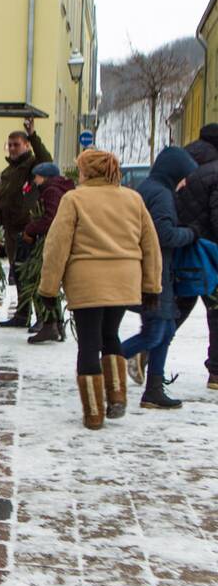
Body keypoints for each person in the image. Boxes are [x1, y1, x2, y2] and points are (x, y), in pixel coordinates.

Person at [39, 149, 161, 429]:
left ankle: (94, 414)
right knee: (111, 335)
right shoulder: (133, 199)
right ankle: (116, 395)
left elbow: (57, 246)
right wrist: (151, 286)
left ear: (87, 171)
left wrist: (48, 289)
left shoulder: (74, 199)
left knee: (89, 343)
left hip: (86, 281)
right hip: (124, 279)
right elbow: (150, 245)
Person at [119, 147, 198, 409]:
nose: (184, 183)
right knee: (154, 333)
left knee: (166, 330)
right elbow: (163, 234)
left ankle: (153, 388)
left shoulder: (149, 188)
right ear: (175, 172)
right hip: (154, 272)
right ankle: (103, 364)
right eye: (184, 177)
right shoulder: (162, 195)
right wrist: (190, 234)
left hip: (153, 270)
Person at [0, 118, 53, 328]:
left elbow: (46, 158)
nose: (13, 148)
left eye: (17, 144)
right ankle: (22, 315)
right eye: (10, 144)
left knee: (31, 275)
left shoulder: (32, 166)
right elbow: (2, 202)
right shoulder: (8, 172)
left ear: (26, 145)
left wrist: (33, 135)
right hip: (11, 232)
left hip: (28, 231)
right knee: (17, 274)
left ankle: (43, 318)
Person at [174, 123, 218, 391]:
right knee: (216, 312)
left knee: (179, 306)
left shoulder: (182, 162)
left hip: (181, 246)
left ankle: (146, 348)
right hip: (209, 254)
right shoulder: (215, 172)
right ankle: (216, 372)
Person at [22, 162, 75, 344]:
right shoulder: (59, 189)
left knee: (39, 281)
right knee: (49, 282)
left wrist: (30, 229)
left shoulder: (51, 191)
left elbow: (51, 219)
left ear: (44, 177)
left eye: (36, 177)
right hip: (51, 240)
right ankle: (56, 325)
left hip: (48, 242)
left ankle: (48, 323)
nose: (35, 180)